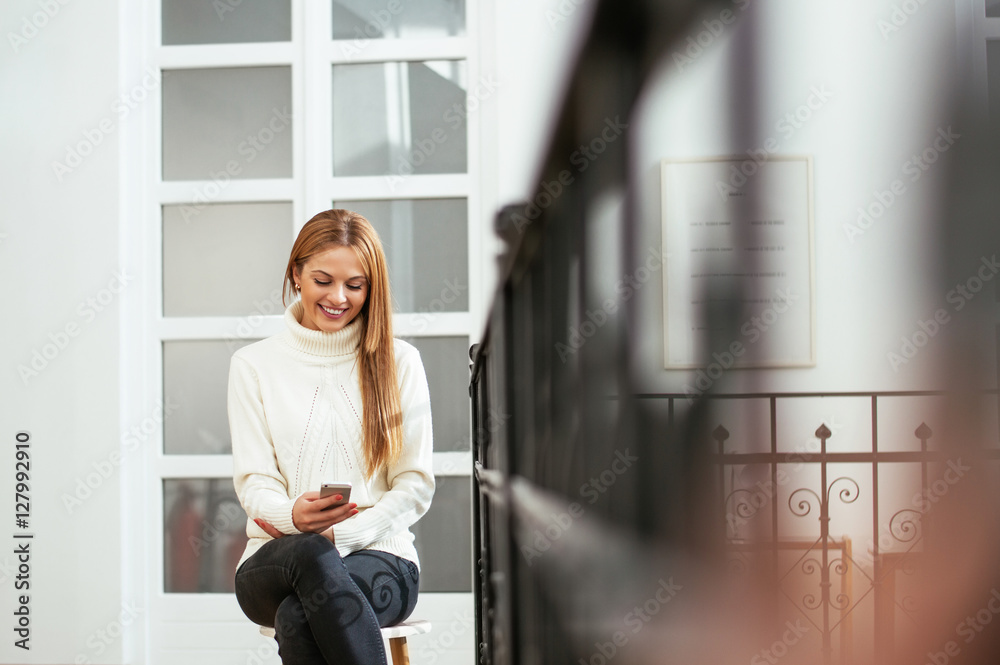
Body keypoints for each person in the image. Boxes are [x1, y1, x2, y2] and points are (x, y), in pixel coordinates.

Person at [228, 209, 435, 665]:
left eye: (355, 285)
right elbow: (254, 483)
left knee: (300, 618)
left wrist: (344, 532)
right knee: (308, 552)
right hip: (275, 558)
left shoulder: (399, 362)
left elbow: (415, 485)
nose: (338, 297)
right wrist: (292, 517)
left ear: (370, 288)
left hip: (382, 556)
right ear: (296, 273)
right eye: (323, 279)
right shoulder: (254, 365)